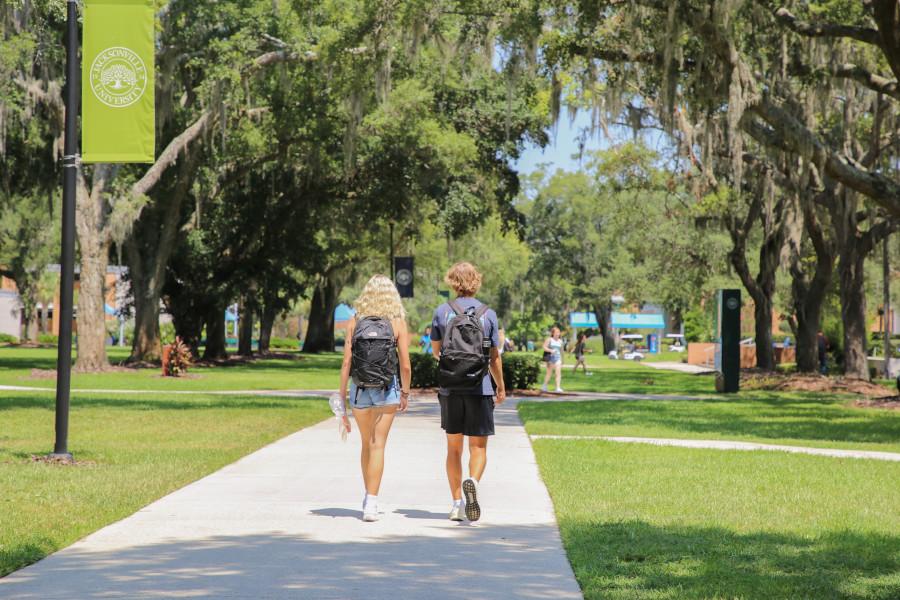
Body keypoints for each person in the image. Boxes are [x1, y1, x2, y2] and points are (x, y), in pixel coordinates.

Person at [431, 262, 505, 522]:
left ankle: (456, 504)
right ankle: (472, 480)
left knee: (453, 448)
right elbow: (494, 356)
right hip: (480, 386)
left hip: (451, 388)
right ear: (477, 282)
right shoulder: (489, 314)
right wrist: (501, 387)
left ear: (452, 282)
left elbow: (436, 351)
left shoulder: (442, 312)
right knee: (478, 447)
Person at [338, 274, 412, 522]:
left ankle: (367, 498)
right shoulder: (397, 322)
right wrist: (404, 392)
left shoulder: (354, 321)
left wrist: (341, 395)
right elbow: (405, 365)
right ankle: (372, 501)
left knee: (365, 444)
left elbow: (347, 361)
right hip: (386, 388)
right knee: (378, 444)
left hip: (359, 389)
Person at [541, 327, 565, 392]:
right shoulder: (549, 339)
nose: (558, 334)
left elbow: (562, 351)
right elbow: (544, 347)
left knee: (558, 373)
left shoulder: (560, 341)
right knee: (549, 373)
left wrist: (563, 360)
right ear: (553, 333)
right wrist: (551, 350)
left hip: (558, 358)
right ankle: (544, 385)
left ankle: (557, 387)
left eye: (559, 332)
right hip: (550, 358)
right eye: (556, 332)